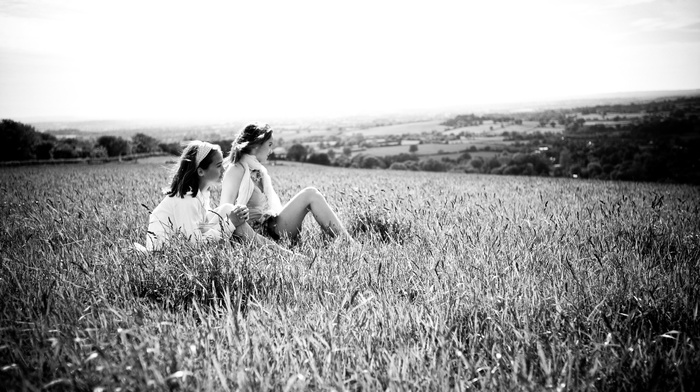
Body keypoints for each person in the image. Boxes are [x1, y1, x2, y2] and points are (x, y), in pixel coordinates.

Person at [221, 122, 354, 244]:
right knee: (310, 193)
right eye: (269, 145)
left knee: (311, 193)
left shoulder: (259, 170)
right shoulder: (236, 170)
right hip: (252, 235)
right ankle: (350, 244)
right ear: (256, 145)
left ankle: (349, 243)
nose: (271, 150)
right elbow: (224, 213)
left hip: (270, 226)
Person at [145, 140, 277, 252]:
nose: (224, 170)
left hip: (181, 249)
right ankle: (276, 252)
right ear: (201, 171)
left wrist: (233, 217)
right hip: (167, 255)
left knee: (228, 209)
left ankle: (274, 251)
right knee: (229, 214)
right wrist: (230, 222)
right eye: (219, 165)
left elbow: (202, 226)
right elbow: (195, 244)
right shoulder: (186, 200)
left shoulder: (199, 194)